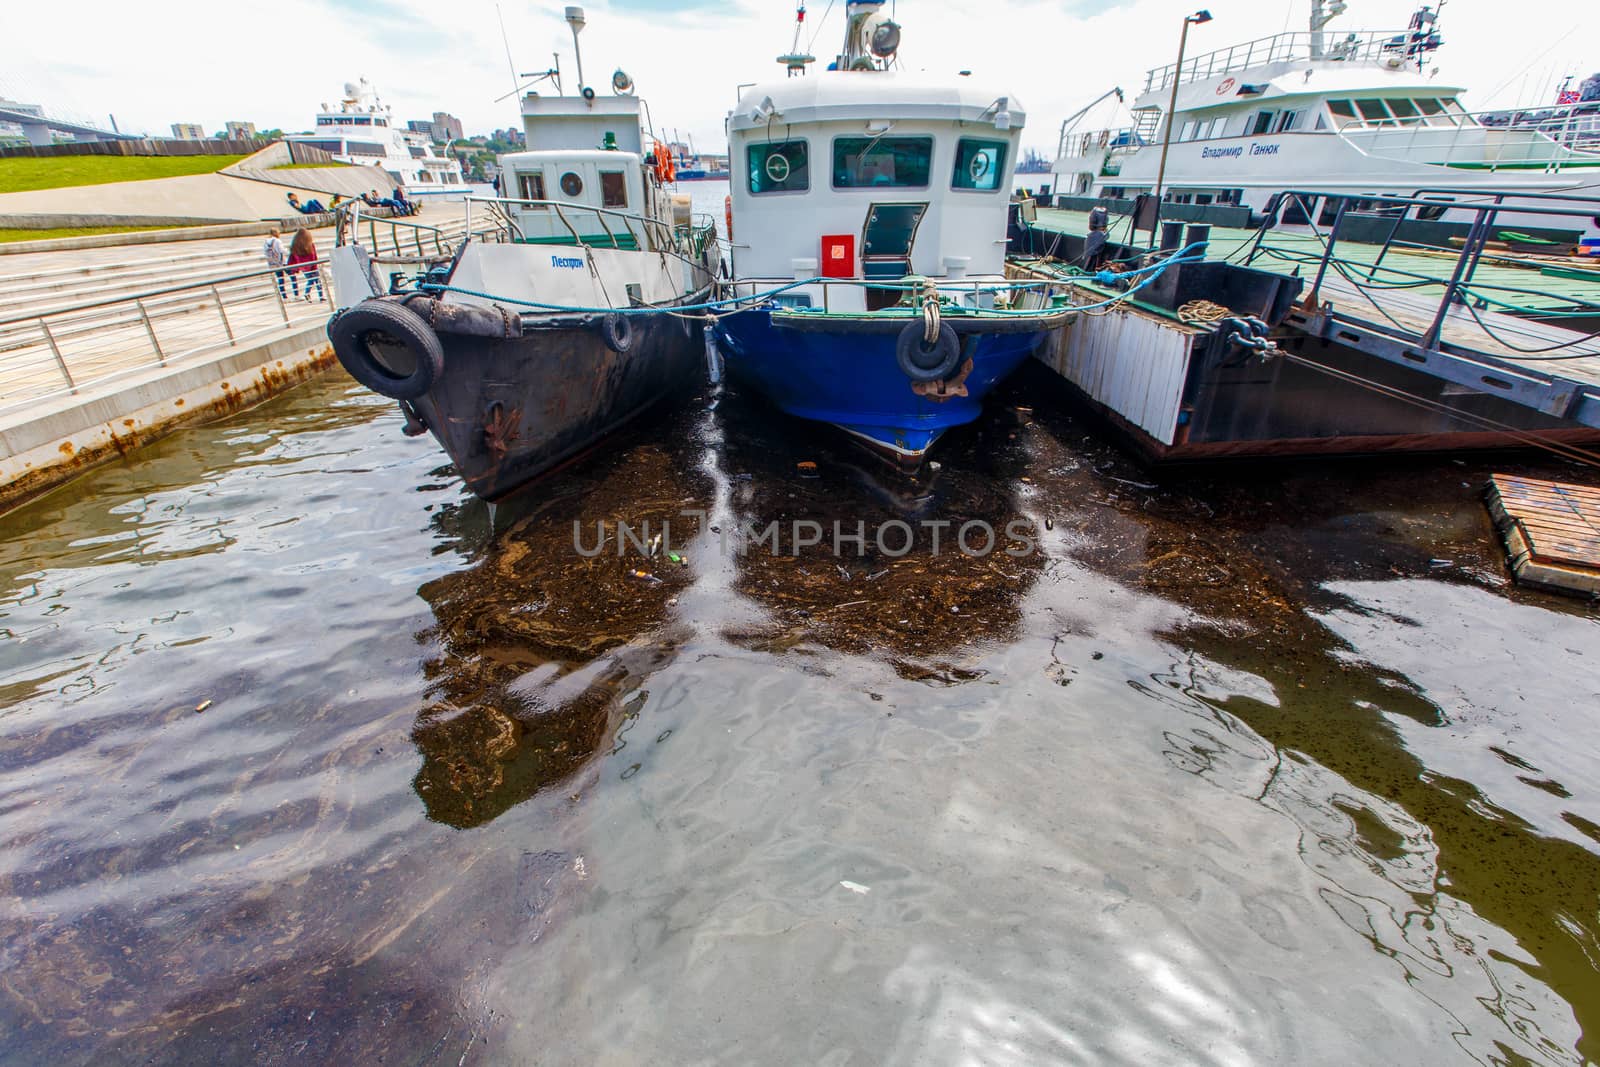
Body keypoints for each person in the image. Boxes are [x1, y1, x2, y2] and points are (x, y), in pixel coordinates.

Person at [288, 228, 324, 301]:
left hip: (303, 267)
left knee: (310, 280)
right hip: (312, 266)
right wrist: (315, 265)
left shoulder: (295, 246)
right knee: (317, 281)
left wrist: (294, 268)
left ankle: (308, 293)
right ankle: (320, 296)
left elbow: (292, 258)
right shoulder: (310, 245)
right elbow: (314, 256)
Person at [262, 228, 297, 299]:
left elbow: (265, 252)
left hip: (273, 263)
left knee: (280, 279)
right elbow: (281, 250)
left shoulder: (266, 242)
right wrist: (288, 251)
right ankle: (296, 294)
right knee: (293, 276)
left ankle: (284, 297)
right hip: (282, 262)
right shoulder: (277, 241)